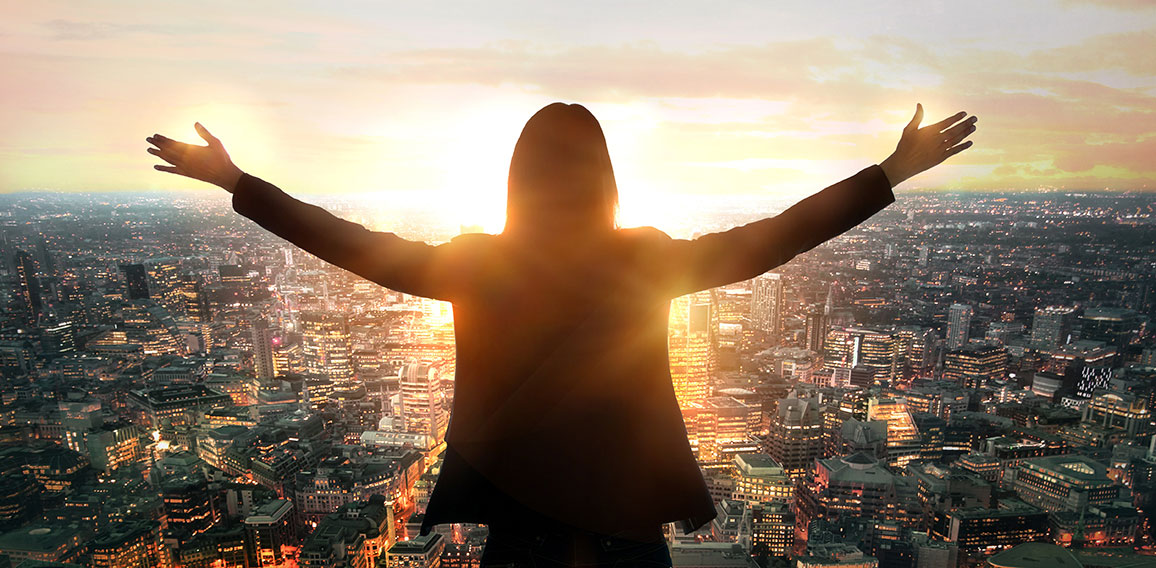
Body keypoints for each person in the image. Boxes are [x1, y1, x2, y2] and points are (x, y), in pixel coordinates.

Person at [147, 102, 976, 567]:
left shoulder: (479, 264)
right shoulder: (644, 259)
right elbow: (773, 237)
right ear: (605, 182)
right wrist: (890, 171)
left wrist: (237, 182)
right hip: (626, 522)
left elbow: (352, 245)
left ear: (519, 181)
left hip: (523, 524)